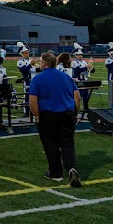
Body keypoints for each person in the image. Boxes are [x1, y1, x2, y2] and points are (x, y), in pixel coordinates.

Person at [27, 51, 82, 187]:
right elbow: (77, 97)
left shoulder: (38, 79)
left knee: (50, 143)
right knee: (67, 143)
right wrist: (75, 113)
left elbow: (33, 100)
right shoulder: (66, 77)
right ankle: (71, 168)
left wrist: (36, 115)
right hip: (67, 113)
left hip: (48, 114)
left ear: (44, 64)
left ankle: (56, 173)